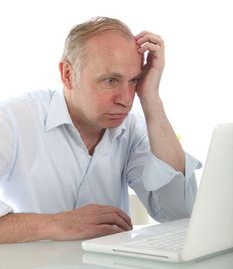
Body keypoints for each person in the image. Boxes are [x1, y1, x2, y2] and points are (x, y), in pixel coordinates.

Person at [0, 17, 201, 243]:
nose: (125, 99)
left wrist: (151, 99)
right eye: (110, 81)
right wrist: (57, 224)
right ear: (67, 74)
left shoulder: (132, 127)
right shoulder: (12, 119)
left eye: (133, 80)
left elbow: (179, 213)